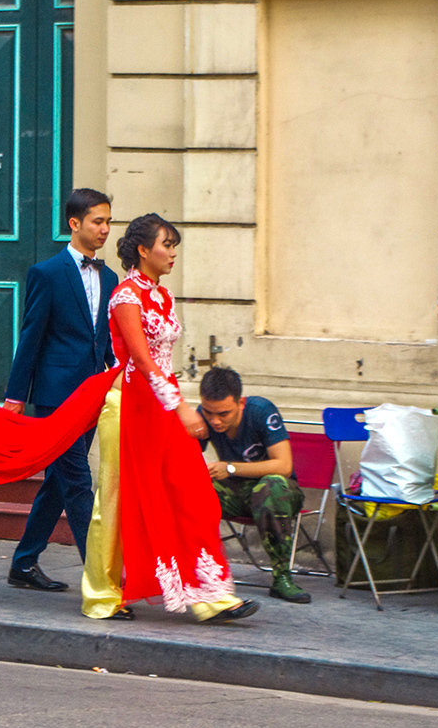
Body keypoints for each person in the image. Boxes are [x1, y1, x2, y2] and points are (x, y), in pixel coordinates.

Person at [80, 214, 259, 623]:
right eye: (167, 244)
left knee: (193, 493)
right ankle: (102, 595)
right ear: (144, 251)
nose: (173, 253)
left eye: (175, 245)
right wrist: (179, 406)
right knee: (114, 501)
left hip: (162, 406)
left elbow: (163, 360)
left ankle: (211, 593)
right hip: (130, 409)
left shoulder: (163, 296)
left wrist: (176, 403)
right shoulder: (126, 296)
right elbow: (142, 361)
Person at [2, 189, 119, 592]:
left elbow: (103, 339)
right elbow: (30, 337)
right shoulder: (47, 273)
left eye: (107, 222)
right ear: (74, 223)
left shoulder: (109, 276)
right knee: (76, 481)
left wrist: (114, 377)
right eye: (96, 222)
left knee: (57, 480)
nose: (104, 229)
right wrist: (16, 397)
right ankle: (101, 579)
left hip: (91, 394)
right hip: (55, 396)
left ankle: (23, 563)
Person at [196, 366, 310, 603]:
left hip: (280, 495)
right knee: (192, 490)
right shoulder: (203, 416)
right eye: (209, 412)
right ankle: (199, 573)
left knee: (271, 486)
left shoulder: (261, 411)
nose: (215, 421)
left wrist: (229, 468)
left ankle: (282, 577)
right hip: (237, 494)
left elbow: (283, 465)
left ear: (241, 403)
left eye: (224, 414)